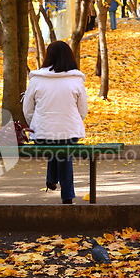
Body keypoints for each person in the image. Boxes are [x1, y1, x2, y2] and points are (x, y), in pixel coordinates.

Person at [22, 41, 88, 204]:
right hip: (69, 134)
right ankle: (67, 196)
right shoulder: (76, 80)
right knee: (63, 150)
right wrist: (72, 123)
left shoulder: (36, 80)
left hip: (43, 135)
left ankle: (52, 179)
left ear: (48, 57)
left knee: (55, 142)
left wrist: (37, 125)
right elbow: (83, 109)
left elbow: (27, 109)